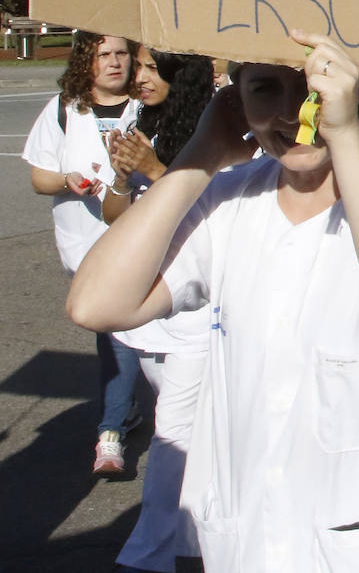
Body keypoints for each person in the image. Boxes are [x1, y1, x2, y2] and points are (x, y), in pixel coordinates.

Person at [66, 29, 359, 571]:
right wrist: (202, 153)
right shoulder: (232, 197)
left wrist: (344, 133)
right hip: (254, 541)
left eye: (313, 87)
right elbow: (96, 303)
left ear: (355, 88)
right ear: (235, 99)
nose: (296, 113)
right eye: (265, 89)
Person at [102, 47, 216, 573]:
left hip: (198, 316)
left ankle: (144, 557)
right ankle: (195, 548)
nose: (137, 76)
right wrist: (125, 178)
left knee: (171, 437)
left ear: (180, 72)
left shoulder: (216, 125)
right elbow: (113, 214)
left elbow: (215, 207)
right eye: (138, 67)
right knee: (193, 439)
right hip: (149, 315)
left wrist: (154, 167)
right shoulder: (137, 120)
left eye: (151, 68)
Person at [22, 31, 141, 475]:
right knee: (115, 330)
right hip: (84, 242)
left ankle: (111, 429)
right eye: (103, 54)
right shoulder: (64, 110)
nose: (114, 62)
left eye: (121, 54)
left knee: (119, 329)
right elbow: (39, 178)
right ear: (85, 62)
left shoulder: (147, 105)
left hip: (138, 235)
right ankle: (125, 409)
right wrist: (68, 178)